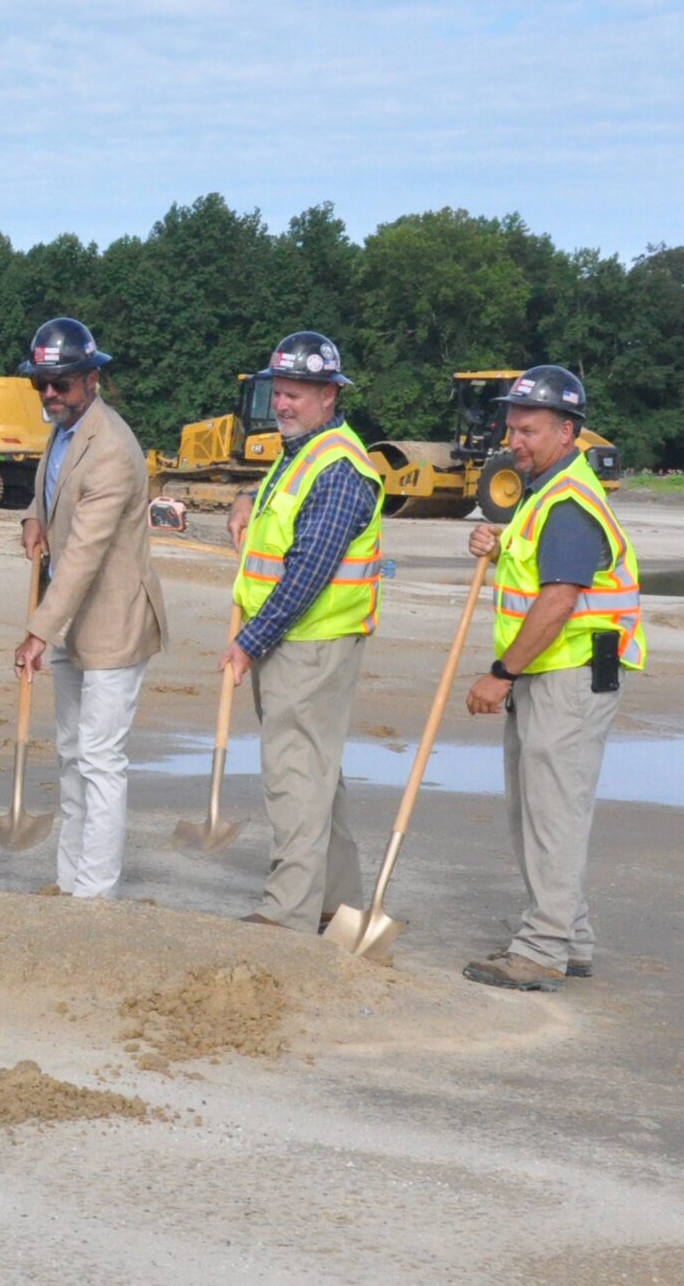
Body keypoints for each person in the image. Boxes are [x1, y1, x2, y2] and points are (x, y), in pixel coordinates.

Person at [460, 365, 644, 992]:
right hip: (556, 673)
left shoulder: (568, 502)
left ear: (567, 431)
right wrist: (500, 539)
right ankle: (572, 937)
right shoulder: (546, 493)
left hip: (565, 676)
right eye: (511, 427)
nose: (516, 440)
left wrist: (500, 674)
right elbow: (536, 564)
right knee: (542, 811)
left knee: (551, 814)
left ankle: (541, 949)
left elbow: (558, 600)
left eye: (530, 429)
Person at [221, 333, 383, 930]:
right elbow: (279, 511)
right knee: (318, 776)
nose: (282, 404)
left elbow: (308, 572)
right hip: (297, 642)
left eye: (293, 393)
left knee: (294, 775)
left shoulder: (338, 469)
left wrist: (249, 641)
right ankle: (337, 908)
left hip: (309, 644)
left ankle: (285, 913)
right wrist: (244, 497)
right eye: (278, 392)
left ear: (328, 396)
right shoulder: (302, 452)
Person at [13, 317, 168, 899]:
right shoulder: (63, 432)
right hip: (70, 619)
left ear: (92, 378)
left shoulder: (112, 450)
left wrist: (36, 632)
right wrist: (32, 517)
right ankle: (67, 879)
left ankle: (94, 892)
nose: (50, 393)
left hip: (114, 621)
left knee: (101, 759)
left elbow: (83, 553)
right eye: (41, 383)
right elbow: (48, 491)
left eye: (62, 382)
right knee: (72, 753)